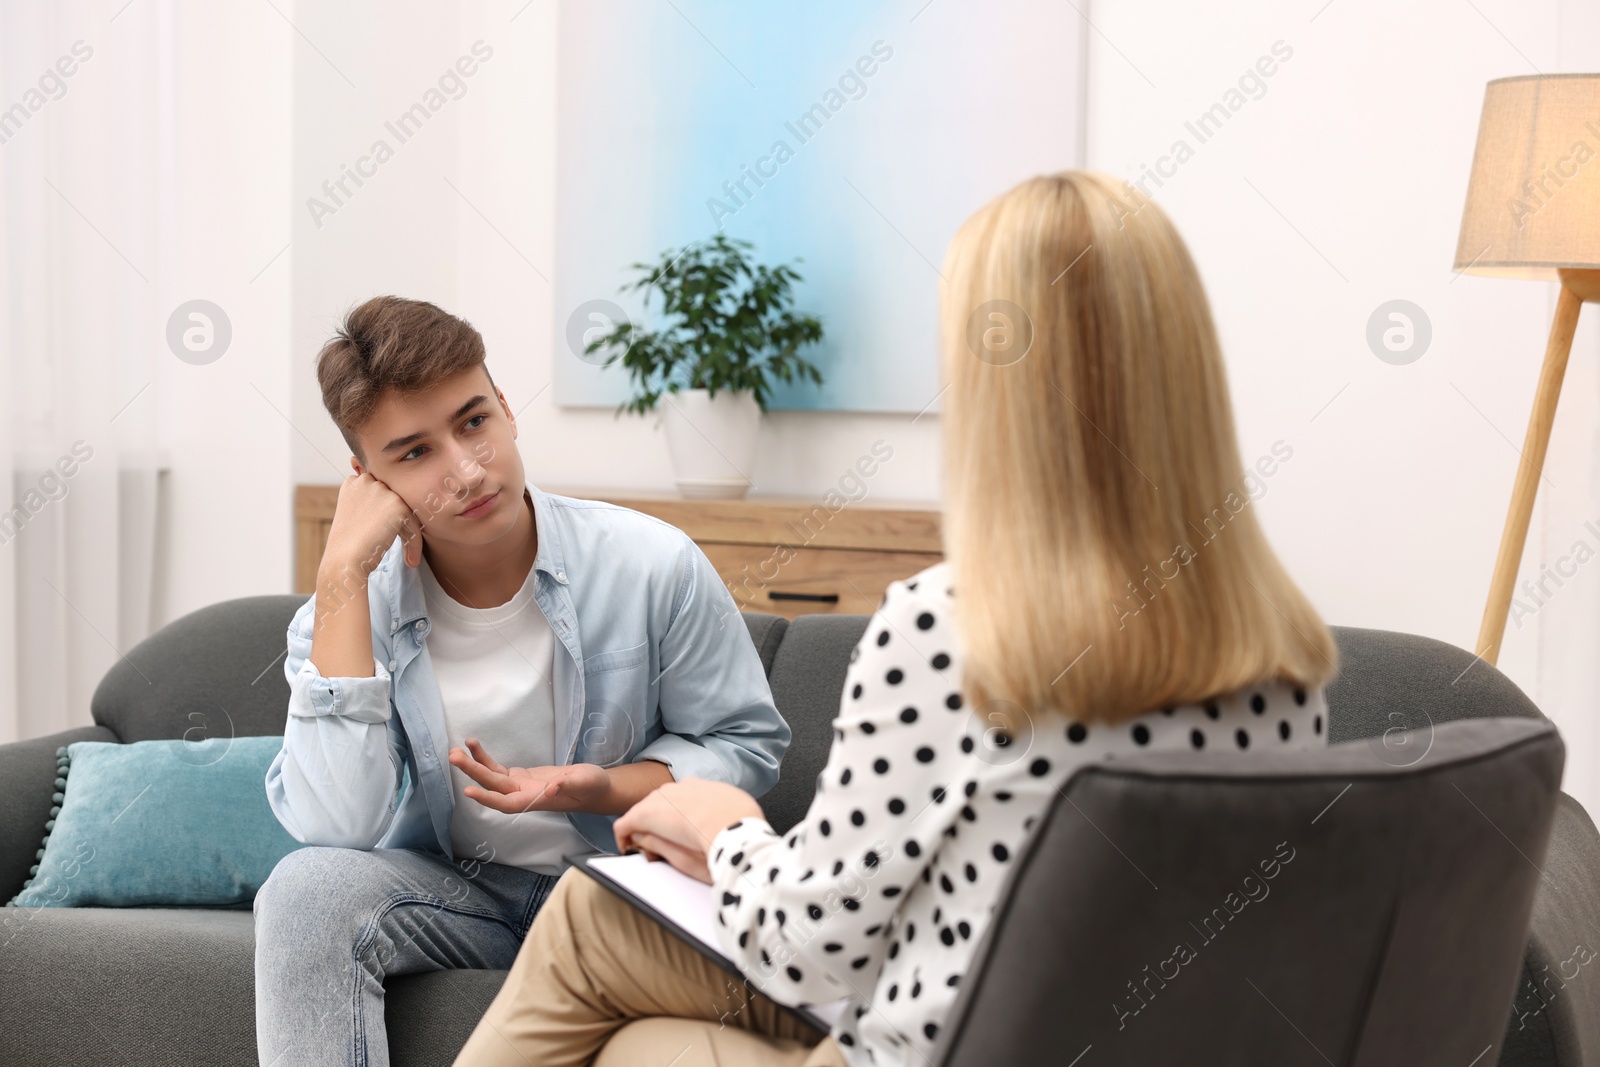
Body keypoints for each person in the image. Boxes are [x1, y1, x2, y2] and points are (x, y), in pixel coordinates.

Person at [449, 170, 1341, 1067]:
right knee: (635, 1026)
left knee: (598, 947)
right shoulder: (1280, 658)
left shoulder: (954, 632)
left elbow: (811, 945)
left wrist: (726, 830)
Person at [251, 295, 792, 1067]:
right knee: (303, 891)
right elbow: (339, 825)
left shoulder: (650, 562)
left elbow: (746, 742)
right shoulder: (345, 609)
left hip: (617, 890)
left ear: (505, 408)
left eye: (473, 421)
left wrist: (595, 786)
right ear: (366, 480)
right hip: (452, 896)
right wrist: (342, 570)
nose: (467, 470)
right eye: (413, 453)